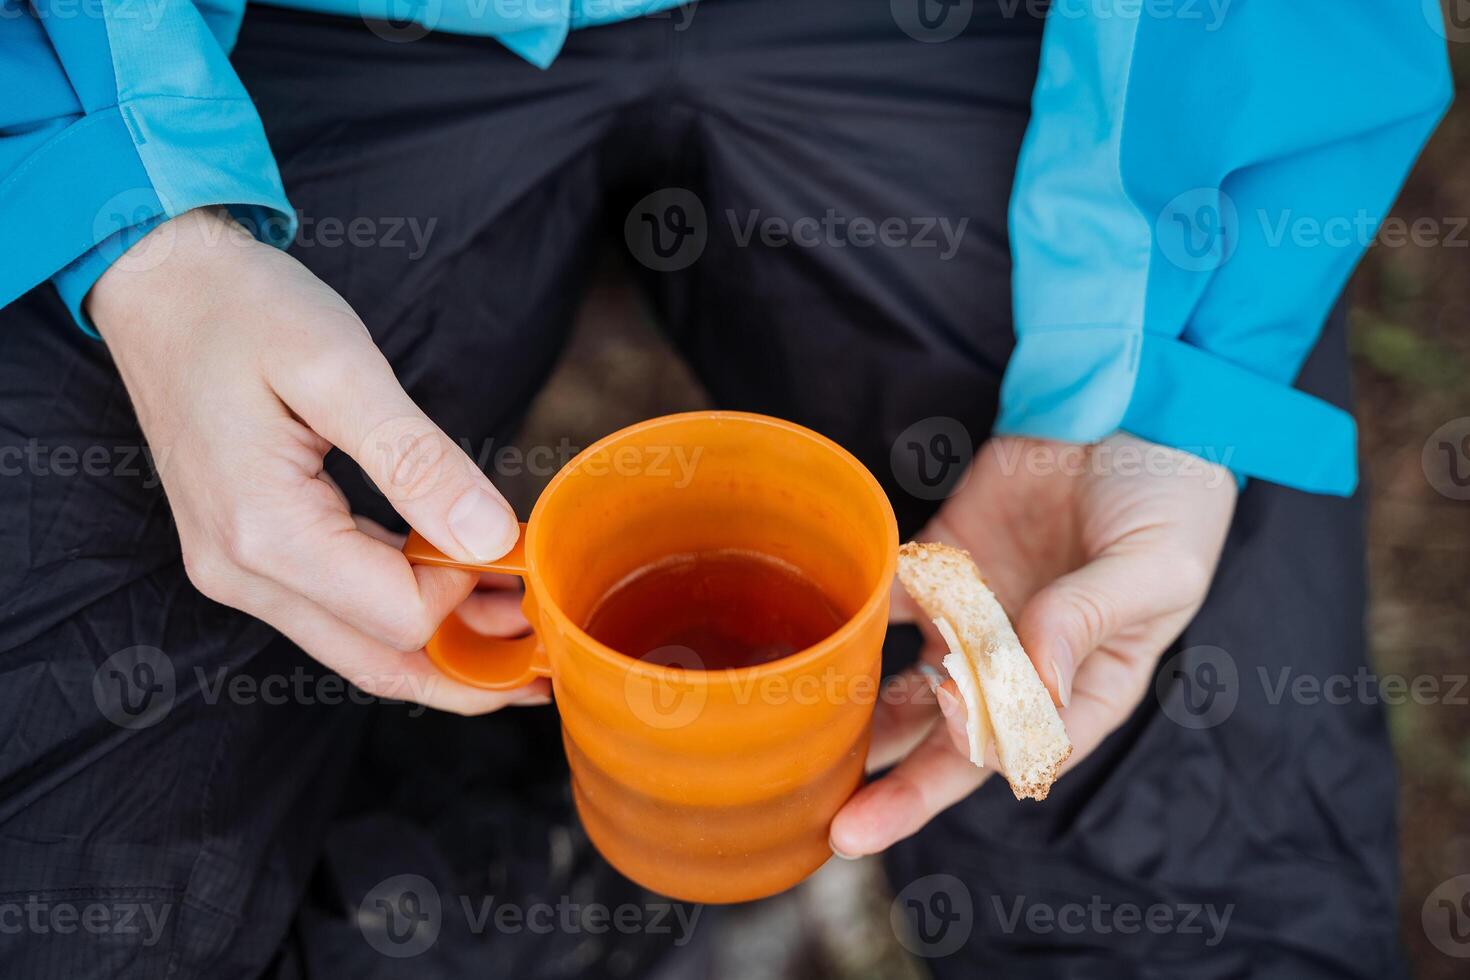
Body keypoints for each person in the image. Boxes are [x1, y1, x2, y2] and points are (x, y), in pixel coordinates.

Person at [0, 0, 1451, 976]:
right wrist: (138, 221)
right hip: (242, 56)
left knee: (1206, 837)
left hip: (967, 44)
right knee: (70, 873)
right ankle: (500, 852)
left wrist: (1154, 387)